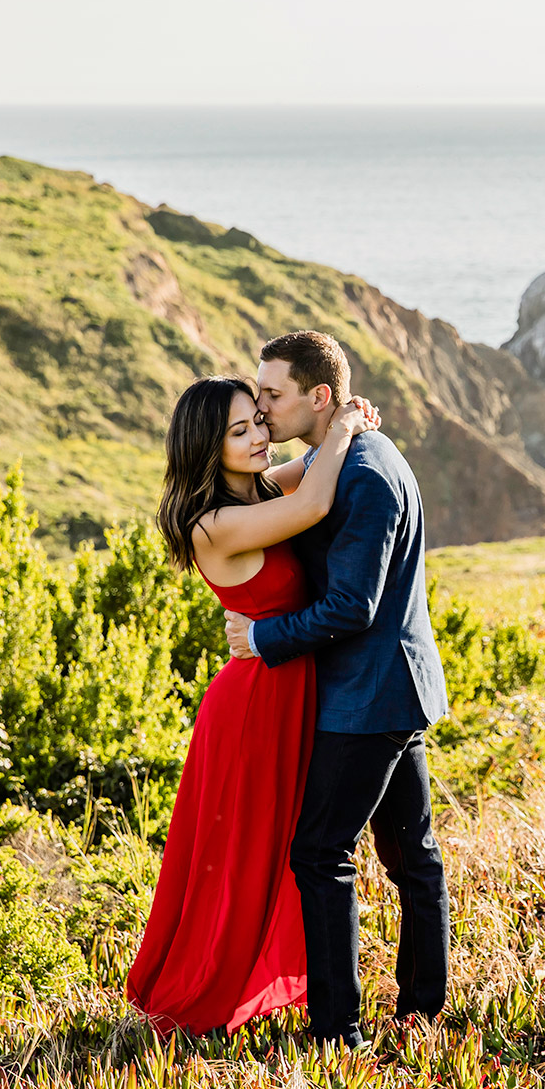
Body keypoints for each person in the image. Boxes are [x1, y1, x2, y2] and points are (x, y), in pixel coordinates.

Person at [125, 373, 379, 1036]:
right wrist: (346, 426)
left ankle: (277, 980)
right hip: (253, 710)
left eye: (258, 422)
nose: (260, 435)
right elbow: (312, 505)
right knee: (243, 857)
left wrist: (345, 420)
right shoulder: (212, 524)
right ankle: (204, 991)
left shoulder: (258, 487)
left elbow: (307, 469)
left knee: (284, 850)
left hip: (286, 693)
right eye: (239, 431)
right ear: (209, 447)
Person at [222, 330, 451, 1050]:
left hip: (368, 695)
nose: (261, 409)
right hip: (385, 687)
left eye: (272, 395)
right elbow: (287, 486)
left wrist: (262, 640)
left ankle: (337, 1033)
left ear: (318, 397)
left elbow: (352, 605)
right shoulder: (337, 455)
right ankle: (420, 1009)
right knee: (413, 853)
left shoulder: (365, 474)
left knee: (322, 853)